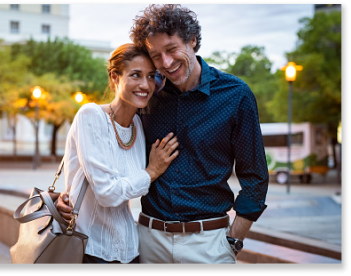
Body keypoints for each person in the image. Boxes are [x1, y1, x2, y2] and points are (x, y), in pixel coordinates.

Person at [58, 4, 269, 264]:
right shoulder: (148, 98)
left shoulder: (236, 95)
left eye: (171, 49)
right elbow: (105, 154)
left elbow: (256, 178)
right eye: (156, 56)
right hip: (147, 242)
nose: (166, 63)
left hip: (208, 243)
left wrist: (233, 241)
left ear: (192, 40)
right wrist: (67, 196)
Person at [62, 43, 179, 264]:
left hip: (130, 251)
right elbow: (106, 193)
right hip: (90, 250)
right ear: (115, 77)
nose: (145, 85)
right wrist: (151, 172)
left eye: (150, 76)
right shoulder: (91, 116)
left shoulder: (138, 124)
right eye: (136, 75)